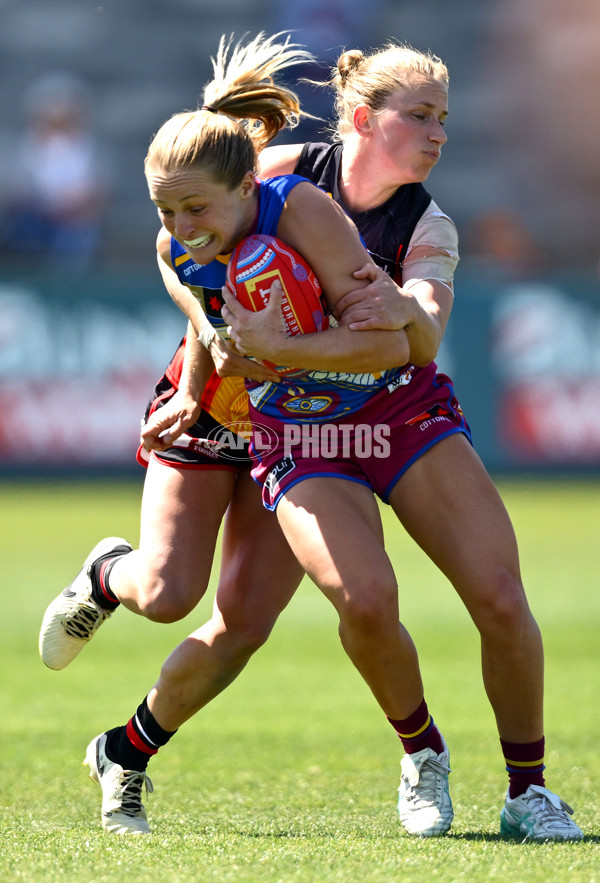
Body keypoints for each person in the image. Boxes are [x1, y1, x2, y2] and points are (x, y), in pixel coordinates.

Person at [38, 36, 583, 843]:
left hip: (385, 409)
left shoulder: (416, 224)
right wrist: (210, 345)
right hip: (268, 416)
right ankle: (420, 750)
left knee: (482, 598)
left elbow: (415, 346)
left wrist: (300, 340)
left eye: (445, 119)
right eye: (421, 116)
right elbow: (178, 244)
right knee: (193, 593)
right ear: (362, 118)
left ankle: (528, 791)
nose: (439, 134)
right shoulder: (269, 173)